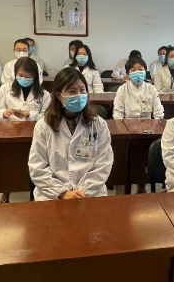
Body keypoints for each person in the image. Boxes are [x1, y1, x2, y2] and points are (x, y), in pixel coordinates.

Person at [28, 67, 113, 200]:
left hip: (90, 193)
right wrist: (62, 192)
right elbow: (37, 167)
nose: (78, 95)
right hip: (52, 194)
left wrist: (83, 191)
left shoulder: (99, 124)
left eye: (82, 90)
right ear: (58, 95)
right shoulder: (43, 126)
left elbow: (104, 164)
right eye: (72, 91)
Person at [0, 57, 51, 122]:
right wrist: (3, 115)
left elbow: (47, 119)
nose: (23, 79)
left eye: (27, 77)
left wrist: (29, 115)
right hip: (10, 126)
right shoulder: (5, 89)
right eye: (20, 75)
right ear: (15, 74)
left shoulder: (44, 94)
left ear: (35, 77)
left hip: (33, 127)